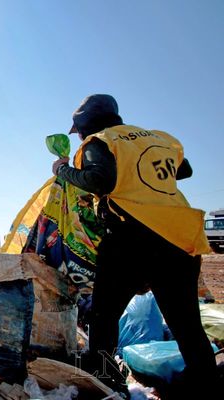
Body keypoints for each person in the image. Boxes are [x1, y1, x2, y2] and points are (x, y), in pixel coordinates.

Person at [51, 94, 217, 396]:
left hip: (132, 240)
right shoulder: (158, 138)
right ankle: (206, 384)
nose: (81, 139)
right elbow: (184, 169)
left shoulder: (100, 142)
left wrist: (62, 169)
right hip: (179, 240)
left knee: (103, 317)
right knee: (188, 326)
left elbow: (101, 179)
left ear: (85, 125)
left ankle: (105, 380)